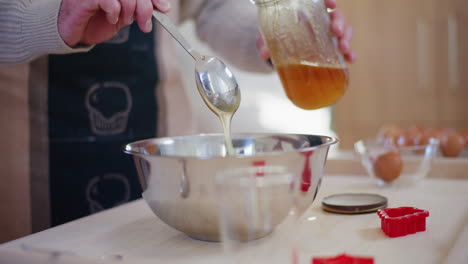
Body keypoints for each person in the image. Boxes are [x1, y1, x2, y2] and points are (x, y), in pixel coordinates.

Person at [0, 0, 355, 242]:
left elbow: (209, 6)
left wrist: (270, 36)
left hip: (164, 156)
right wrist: (53, 17)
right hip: (26, 158)